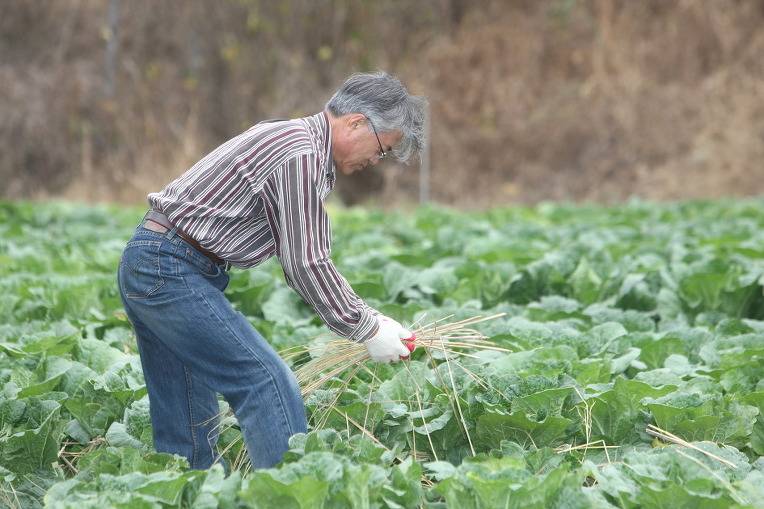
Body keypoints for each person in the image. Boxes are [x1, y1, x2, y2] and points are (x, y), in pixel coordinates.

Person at [116, 71, 427, 471]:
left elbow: (303, 251)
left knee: (189, 434)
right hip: (169, 268)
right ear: (355, 123)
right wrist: (367, 328)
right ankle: (287, 492)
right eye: (382, 149)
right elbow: (305, 261)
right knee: (265, 381)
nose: (375, 161)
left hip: (155, 262)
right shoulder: (300, 154)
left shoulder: (296, 141)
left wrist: (370, 321)